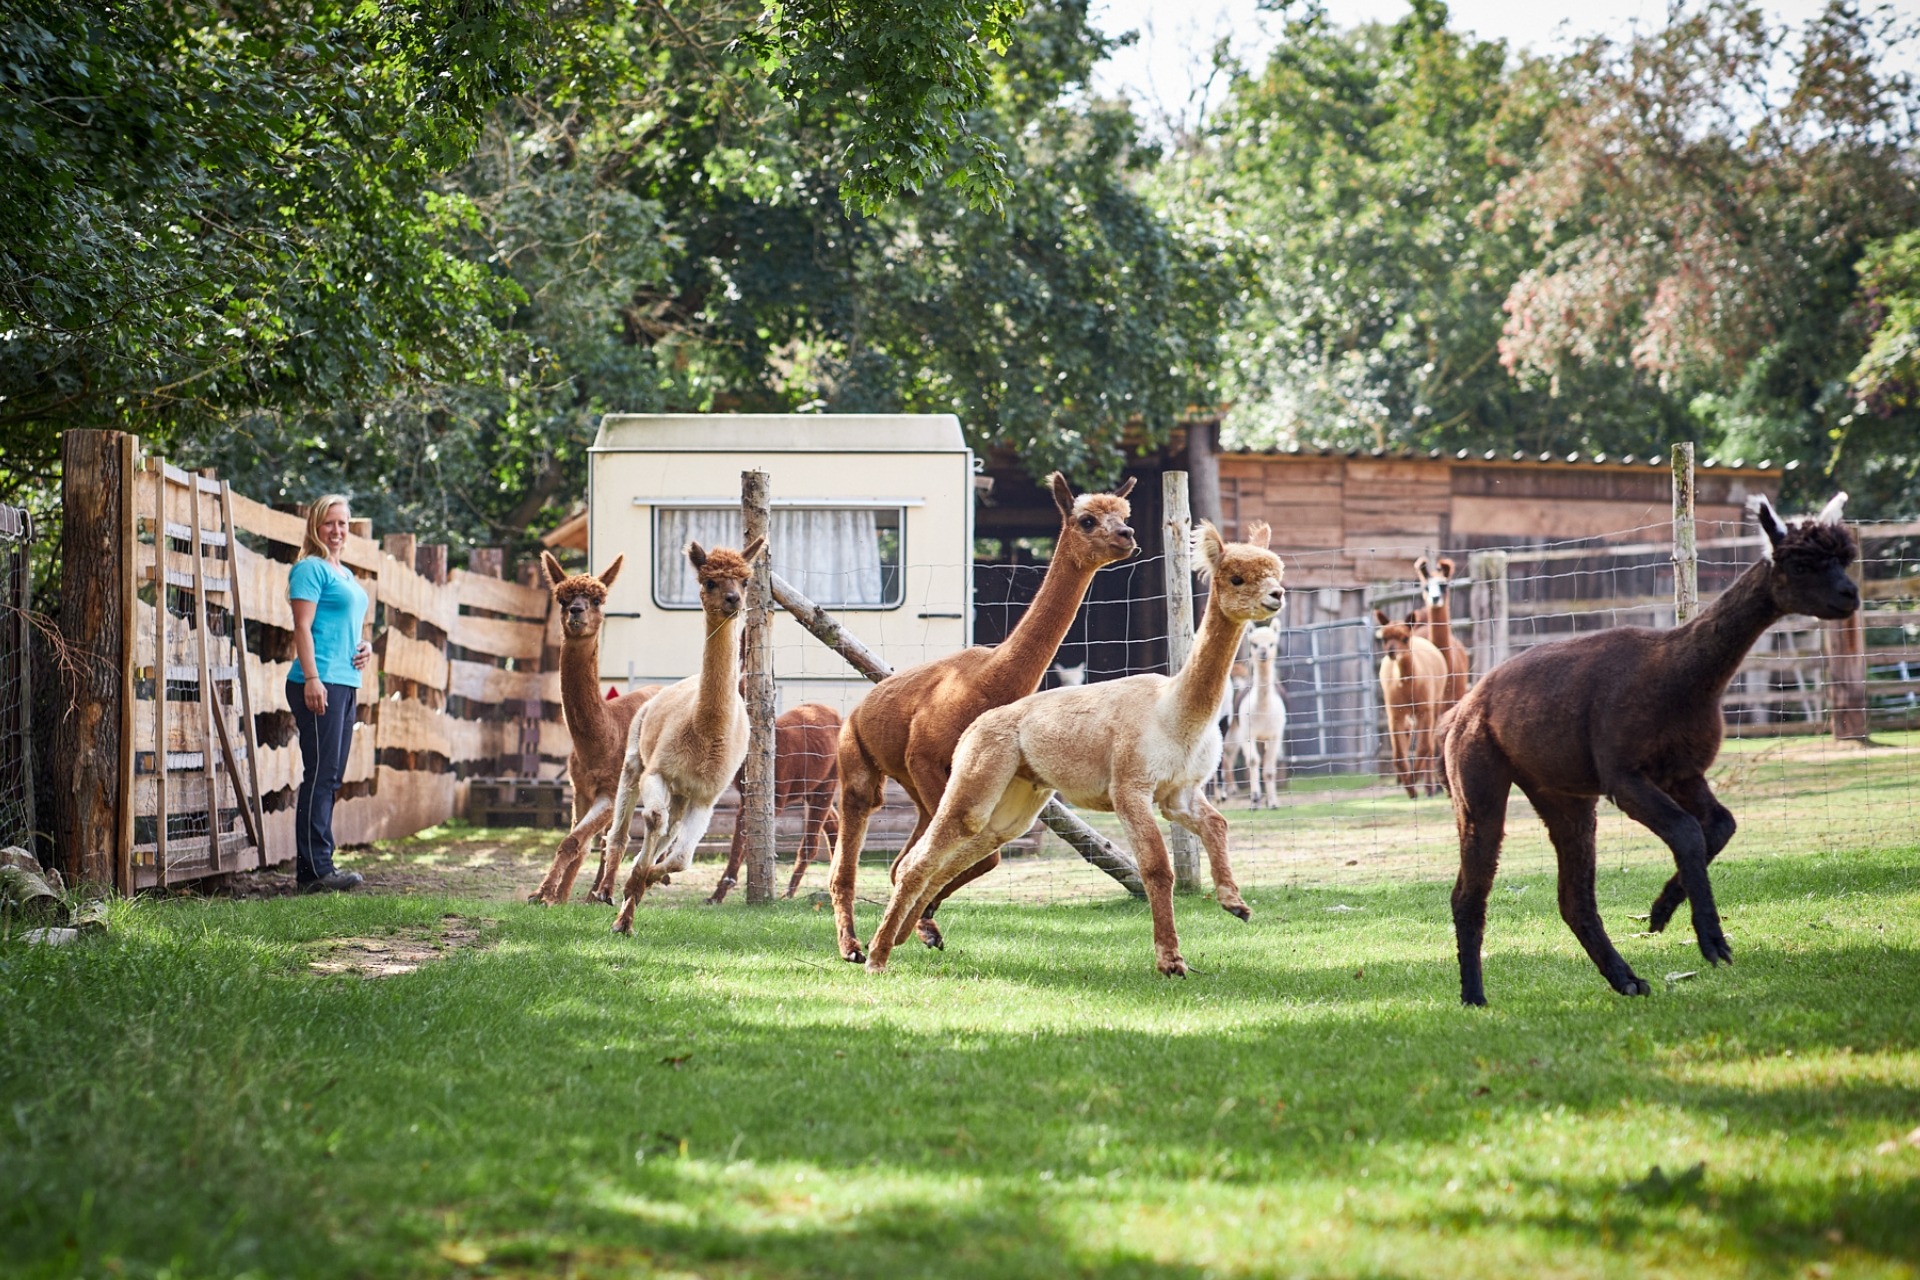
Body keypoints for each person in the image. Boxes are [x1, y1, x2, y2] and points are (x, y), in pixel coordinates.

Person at [287, 494, 373, 893]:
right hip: (319, 682)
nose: (337, 531)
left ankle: (320, 866)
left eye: (343, 524)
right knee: (320, 775)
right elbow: (302, 627)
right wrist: (312, 678)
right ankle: (314, 872)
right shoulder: (309, 568)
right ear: (315, 526)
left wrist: (365, 645)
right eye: (329, 523)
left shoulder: (346, 574)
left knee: (331, 776)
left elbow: (345, 625)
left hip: (345, 682)